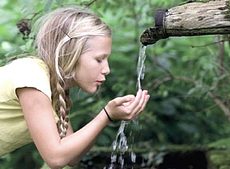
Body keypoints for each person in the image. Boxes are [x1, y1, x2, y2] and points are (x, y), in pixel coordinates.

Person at [0, 5, 150, 168]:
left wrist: (108, 117)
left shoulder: (53, 88)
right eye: (99, 59)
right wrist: (106, 115)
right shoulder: (31, 77)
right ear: (71, 53)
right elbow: (55, 158)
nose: (107, 69)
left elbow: (70, 158)